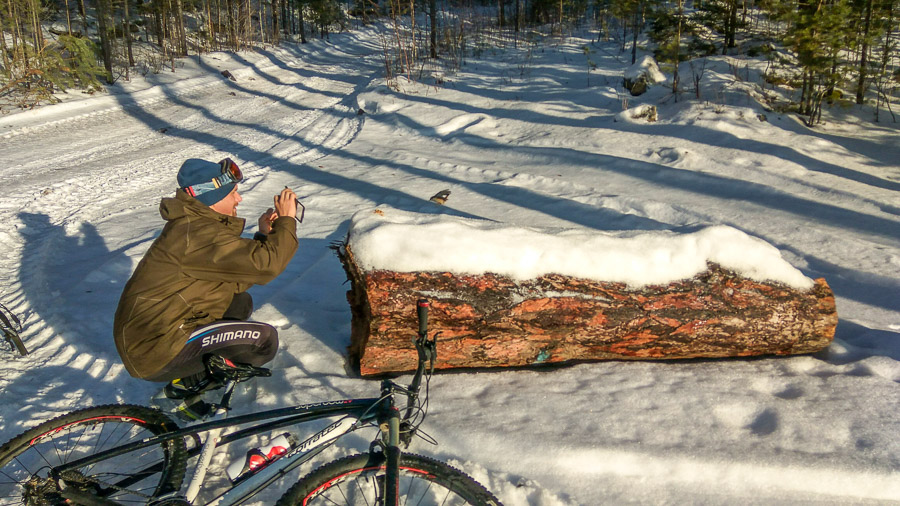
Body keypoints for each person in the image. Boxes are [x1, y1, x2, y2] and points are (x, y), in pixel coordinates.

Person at [113, 157, 299, 395]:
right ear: (212, 197)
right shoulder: (197, 235)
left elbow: (237, 275)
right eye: (233, 192)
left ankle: (196, 373)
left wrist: (265, 237)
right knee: (263, 341)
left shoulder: (195, 224)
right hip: (156, 348)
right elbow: (267, 266)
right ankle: (191, 390)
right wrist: (287, 220)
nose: (238, 198)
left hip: (157, 333)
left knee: (239, 302)